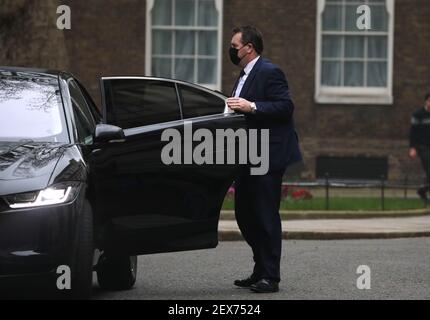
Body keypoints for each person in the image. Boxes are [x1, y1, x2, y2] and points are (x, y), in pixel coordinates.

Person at [226, 26, 302, 293]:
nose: (231, 50)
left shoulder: (269, 71)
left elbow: (285, 106)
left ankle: (271, 276)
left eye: (235, 46)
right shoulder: (244, 75)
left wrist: (252, 106)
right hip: (248, 154)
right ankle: (260, 269)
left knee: (265, 214)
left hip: (268, 154)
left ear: (249, 47)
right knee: (244, 214)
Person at [409, 93, 430, 202]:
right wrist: (412, 147)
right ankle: (424, 190)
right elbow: (413, 132)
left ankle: (423, 190)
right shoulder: (418, 114)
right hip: (423, 147)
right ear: (426, 102)